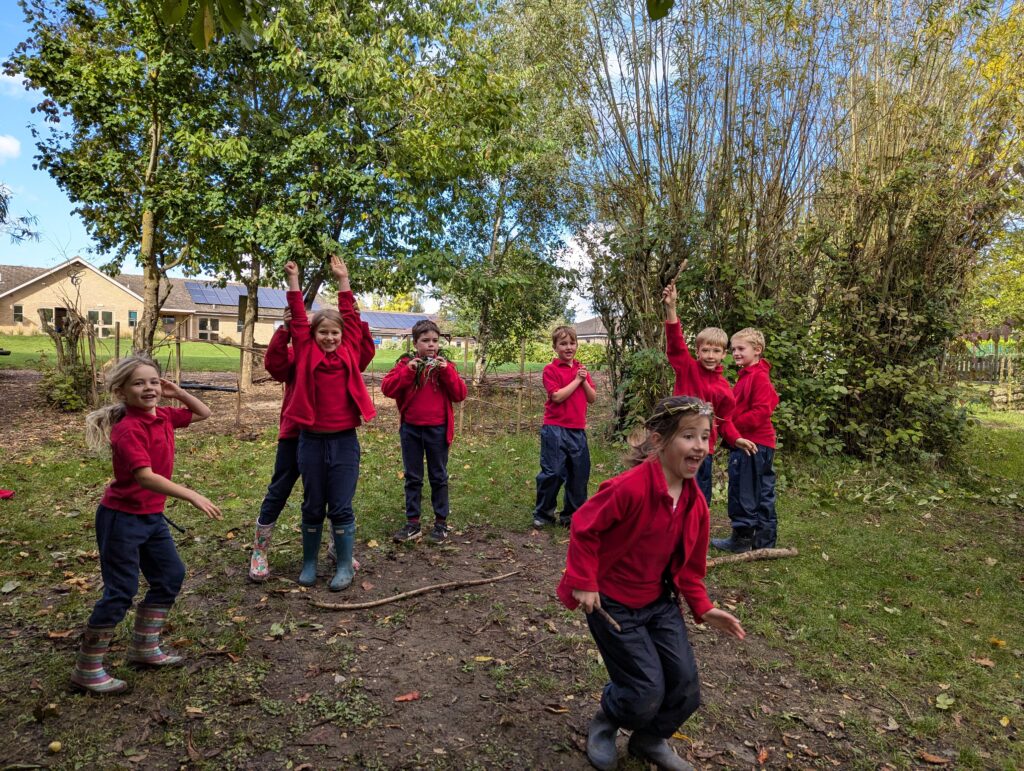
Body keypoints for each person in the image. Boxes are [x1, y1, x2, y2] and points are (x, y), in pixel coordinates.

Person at [556, 396, 745, 771]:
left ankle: (649, 739)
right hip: (613, 604)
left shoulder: (696, 505)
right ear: (659, 441)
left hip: (658, 604)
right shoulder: (629, 488)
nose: (700, 446)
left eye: (705, 438)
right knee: (644, 690)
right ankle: (607, 720)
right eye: (689, 436)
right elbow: (584, 527)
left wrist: (703, 607)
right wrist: (584, 580)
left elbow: (690, 568)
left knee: (686, 689)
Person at [74, 356, 221, 695]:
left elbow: (204, 413)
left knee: (170, 577)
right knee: (120, 591)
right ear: (121, 391)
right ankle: (87, 667)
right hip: (122, 520)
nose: (149, 388)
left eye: (154, 381)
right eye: (139, 383)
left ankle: (143, 647)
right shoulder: (128, 428)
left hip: (151, 519)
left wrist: (178, 393)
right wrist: (190, 494)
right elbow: (145, 476)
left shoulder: (164, 416)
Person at [249, 303, 374, 581]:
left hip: (332, 432)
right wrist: (283, 330)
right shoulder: (300, 351)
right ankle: (260, 550)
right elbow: (276, 367)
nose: (327, 337)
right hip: (297, 431)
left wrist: (355, 316)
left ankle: (335, 548)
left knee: (334, 494)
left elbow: (359, 355)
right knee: (280, 489)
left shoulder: (335, 351)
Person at [283, 256, 376, 590]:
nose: (330, 337)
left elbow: (350, 315)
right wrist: (294, 280)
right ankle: (309, 563)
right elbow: (297, 316)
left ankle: (343, 567)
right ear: (314, 334)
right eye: (323, 332)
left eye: (334, 332)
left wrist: (344, 279)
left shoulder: (350, 348)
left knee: (340, 504)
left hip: (344, 440)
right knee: (312, 502)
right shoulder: (306, 349)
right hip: (310, 439)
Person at [662, 279, 756, 504]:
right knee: (671, 494)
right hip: (676, 443)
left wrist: (737, 439)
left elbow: (725, 421)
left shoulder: (725, 390)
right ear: (697, 351)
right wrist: (671, 307)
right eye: (706, 350)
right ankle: (669, 535)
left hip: (703, 451)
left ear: (724, 354)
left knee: (698, 498)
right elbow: (676, 343)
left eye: (716, 351)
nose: (710, 356)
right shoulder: (687, 368)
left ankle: (695, 536)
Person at [382, 320, 468, 544]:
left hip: (437, 429)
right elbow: (387, 388)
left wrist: (447, 372)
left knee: (438, 475)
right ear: (415, 342)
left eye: (435, 341)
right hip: (411, 429)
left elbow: (460, 394)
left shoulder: (445, 365)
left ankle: (441, 523)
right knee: (413, 476)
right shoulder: (406, 363)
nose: (431, 345)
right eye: (425, 341)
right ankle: (413, 523)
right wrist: (408, 373)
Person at [712, 327, 780, 553]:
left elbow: (762, 411)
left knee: (744, 491)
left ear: (757, 350)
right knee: (761, 490)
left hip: (752, 444)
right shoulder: (748, 376)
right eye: (733, 349)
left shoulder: (758, 377)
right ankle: (763, 542)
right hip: (758, 444)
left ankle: (742, 540)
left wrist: (731, 426)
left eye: (741, 348)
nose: (736, 353)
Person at [533, 325, 597, 528]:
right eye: (563, 344)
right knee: (553, 472)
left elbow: (592, 398)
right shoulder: (550, 370)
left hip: (577, 429)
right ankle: (543, 514)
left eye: (572, 343)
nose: (569, 347)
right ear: (555, 347)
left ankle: (572, 515)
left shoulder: (581, 369)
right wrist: (578, 379)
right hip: (555, 428)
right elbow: (558, 396)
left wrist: (583, 379)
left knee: (579, 473)